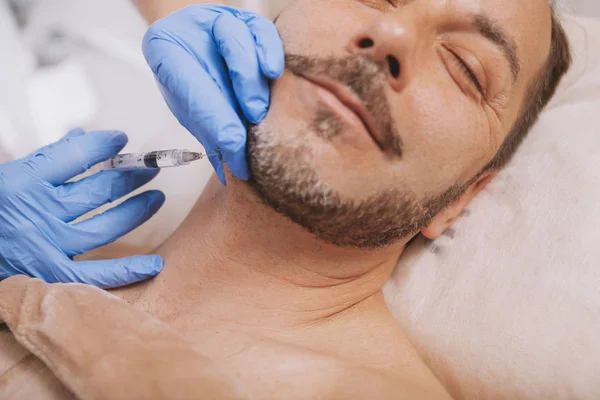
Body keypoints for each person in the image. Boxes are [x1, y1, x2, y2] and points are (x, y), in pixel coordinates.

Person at [0, 0, 572, 399]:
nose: (391, 37)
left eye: (466, 68)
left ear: (462, 198)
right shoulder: (37, 247)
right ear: (267, 24)